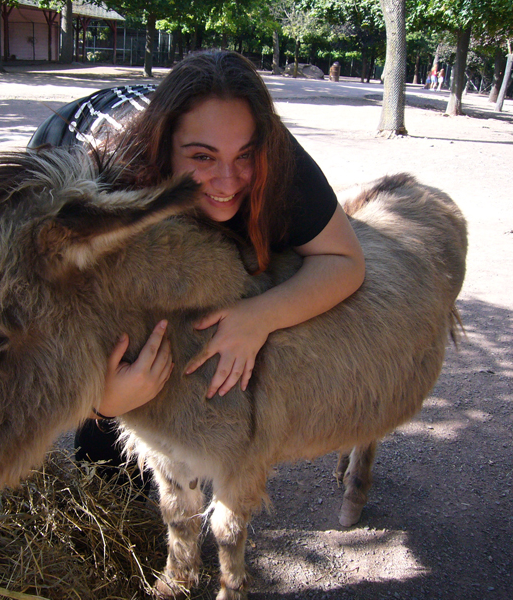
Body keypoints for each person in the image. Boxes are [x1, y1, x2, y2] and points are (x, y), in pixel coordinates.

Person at [29, 50, 365, 489]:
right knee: (109, 401)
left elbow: (345, 262)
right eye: (203, 157)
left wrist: (260, 316)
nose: (227, 181)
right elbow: (42, 324)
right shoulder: (110, 177)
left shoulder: (282, 166)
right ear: (165, 148)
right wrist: (99, 403)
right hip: (84, 154)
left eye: (244, 154)